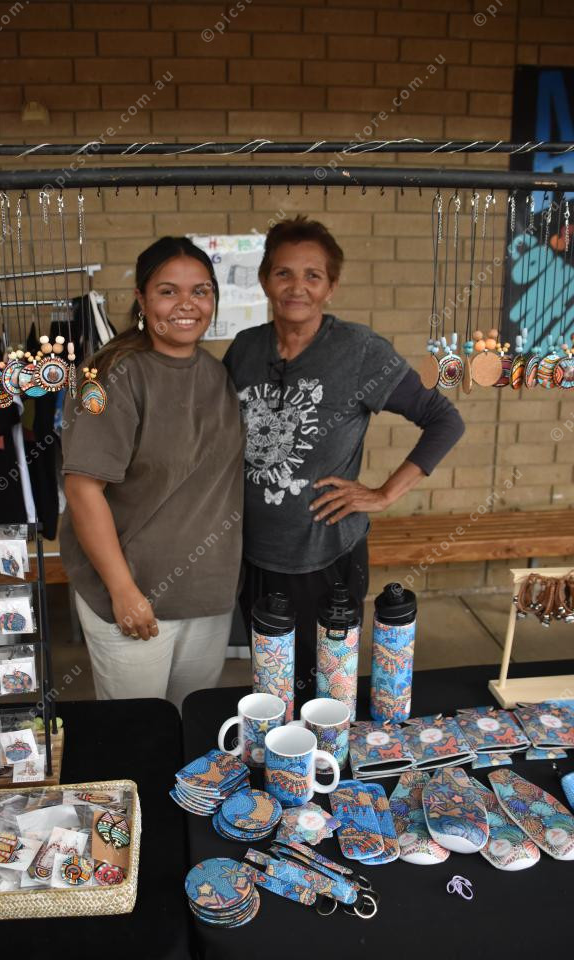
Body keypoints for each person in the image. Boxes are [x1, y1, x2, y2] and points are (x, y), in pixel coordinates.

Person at [223, 215, 465, 705]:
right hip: (255, 554)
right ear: (265, 279)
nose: (297, 287)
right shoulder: (245, 349)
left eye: (312, 275)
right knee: (272, 686)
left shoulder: (358, 351)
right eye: (284, 273)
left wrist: (385, 493)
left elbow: (444, 420)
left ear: (331, 286)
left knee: (327, 692)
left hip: (326, 555)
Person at [59, 237, 245, 710]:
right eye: (168, 291)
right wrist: (123, 590)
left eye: (200, 291)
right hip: (133, 597)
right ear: (141, 299)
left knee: (190, 723)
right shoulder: (110, 375)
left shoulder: (217, 375)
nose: (187, 304)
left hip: (206, 596)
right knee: (138, 733)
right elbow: (82, 489)